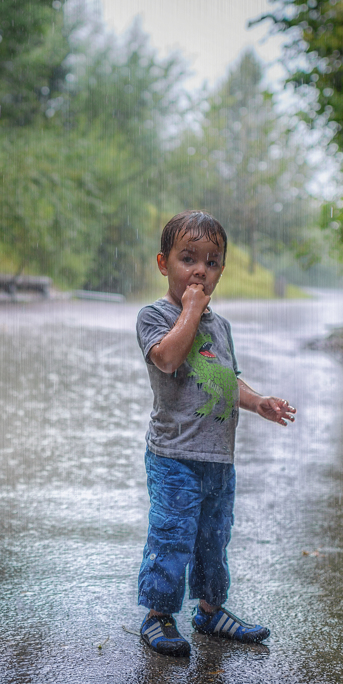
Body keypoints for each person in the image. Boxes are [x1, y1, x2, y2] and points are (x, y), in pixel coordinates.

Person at [135, 210, 296, 658]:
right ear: (164, 263)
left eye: (212, 261)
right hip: (174, 456)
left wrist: (258, 400)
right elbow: (167, 359)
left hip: (219, 459)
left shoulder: (220, 326)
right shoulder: (155, 315)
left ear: (222, 270)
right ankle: (158, 615)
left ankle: (210, 610)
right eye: (189, 258)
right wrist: (190, 309)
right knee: (172, 536)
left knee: (213, 537)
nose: (200, 270)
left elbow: (227, 378)